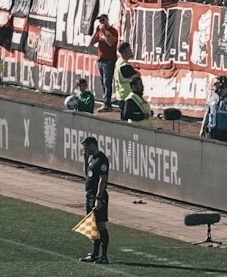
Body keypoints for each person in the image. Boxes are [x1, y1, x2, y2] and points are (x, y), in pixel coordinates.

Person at [80, 136, 111, 265]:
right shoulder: (92, 159)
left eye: (86, 147)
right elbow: (87, 176)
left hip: (98, 197)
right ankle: (95, 254)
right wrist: (85, 160)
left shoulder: (102, 159)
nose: (85, 150)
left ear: (93, 145)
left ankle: (104, 256)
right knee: (92, 225)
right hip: (90, 196)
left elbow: (103, 180)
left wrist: (98, 198)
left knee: (100, 224)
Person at [89, 14, 120, 112]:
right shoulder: (99, 31)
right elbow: (91, 42)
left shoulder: (113, 31)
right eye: (100, 21)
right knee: (103, 82)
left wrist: (104, 32)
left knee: (107, 82)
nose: (102, 22)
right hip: (101, 59)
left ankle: (107, 103)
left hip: (109, 59)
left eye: (103, 20)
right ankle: (106, 102)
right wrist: (96, 32)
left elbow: (111, 43)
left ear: (107, 20)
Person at [113, 43, 135, 113]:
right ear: (124, 53)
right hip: (126, 96)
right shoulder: (124, 65)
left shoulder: (119, 61)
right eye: (129, 50)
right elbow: (137, 75)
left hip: (121, 95)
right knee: (127, 118)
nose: (131, 52)